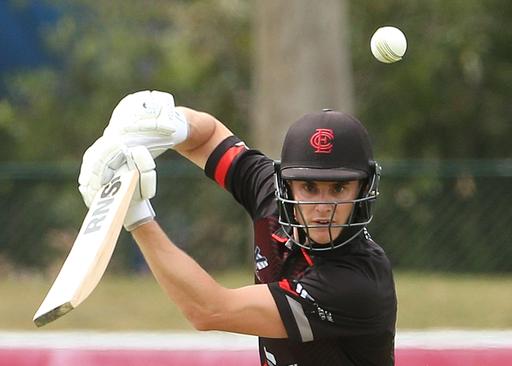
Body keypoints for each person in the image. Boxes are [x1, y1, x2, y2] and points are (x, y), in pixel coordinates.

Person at [78, 90, 397, 365]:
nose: (323, 207)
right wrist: (170, 123)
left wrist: (135, 213)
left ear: (362, 190)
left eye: (339, 189)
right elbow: (209, 135)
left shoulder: (357, 285)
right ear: (285, 186)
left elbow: (209, 310)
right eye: (309, 187)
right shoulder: (270, 195)